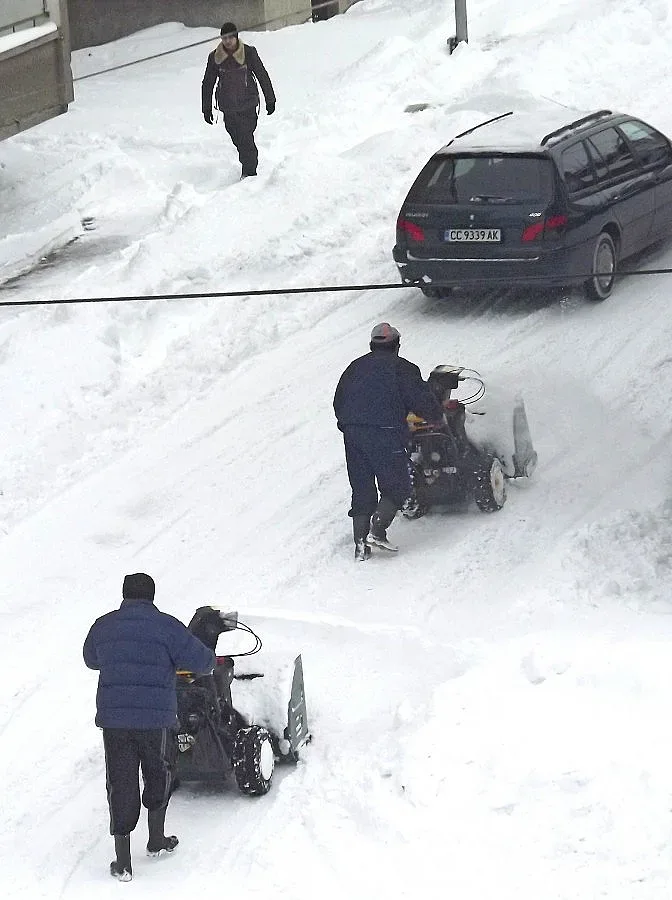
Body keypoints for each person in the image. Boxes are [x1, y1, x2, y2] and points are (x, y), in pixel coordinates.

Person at [83, 573, 215, 882]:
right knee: (159, 773)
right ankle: (156, 839)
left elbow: (90, 659)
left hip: (115, 722)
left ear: (125, 594)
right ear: (152, 596)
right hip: (155, 721)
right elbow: (203, 663)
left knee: (120, 780)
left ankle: (123, 861)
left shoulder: (104, 625)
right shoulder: (167, 626)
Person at [333, 323, 444, 560]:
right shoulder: (403, 368)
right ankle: (378, 530)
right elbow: (421, 401)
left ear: (372, 345)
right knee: (398, 484)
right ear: (397, 346)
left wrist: (349, 424)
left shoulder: (355, 367)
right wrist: (437, 416)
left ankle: (360, 546)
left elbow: (338, 400)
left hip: (352, 432)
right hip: (384, 431)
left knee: (362, 487)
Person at [201, 22, 276, 178]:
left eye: (230, 37)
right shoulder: (215, 57)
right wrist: (206, 108)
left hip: (248, 104)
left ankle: (250, 173)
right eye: (224, 38)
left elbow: (262, 74)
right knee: (238, 138)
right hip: (228, 106)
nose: (227, 41)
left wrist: (270, 99)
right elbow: (208, 82)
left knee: (246, 139)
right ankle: (248, 167)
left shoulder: (248, 53)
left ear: (236, 37)